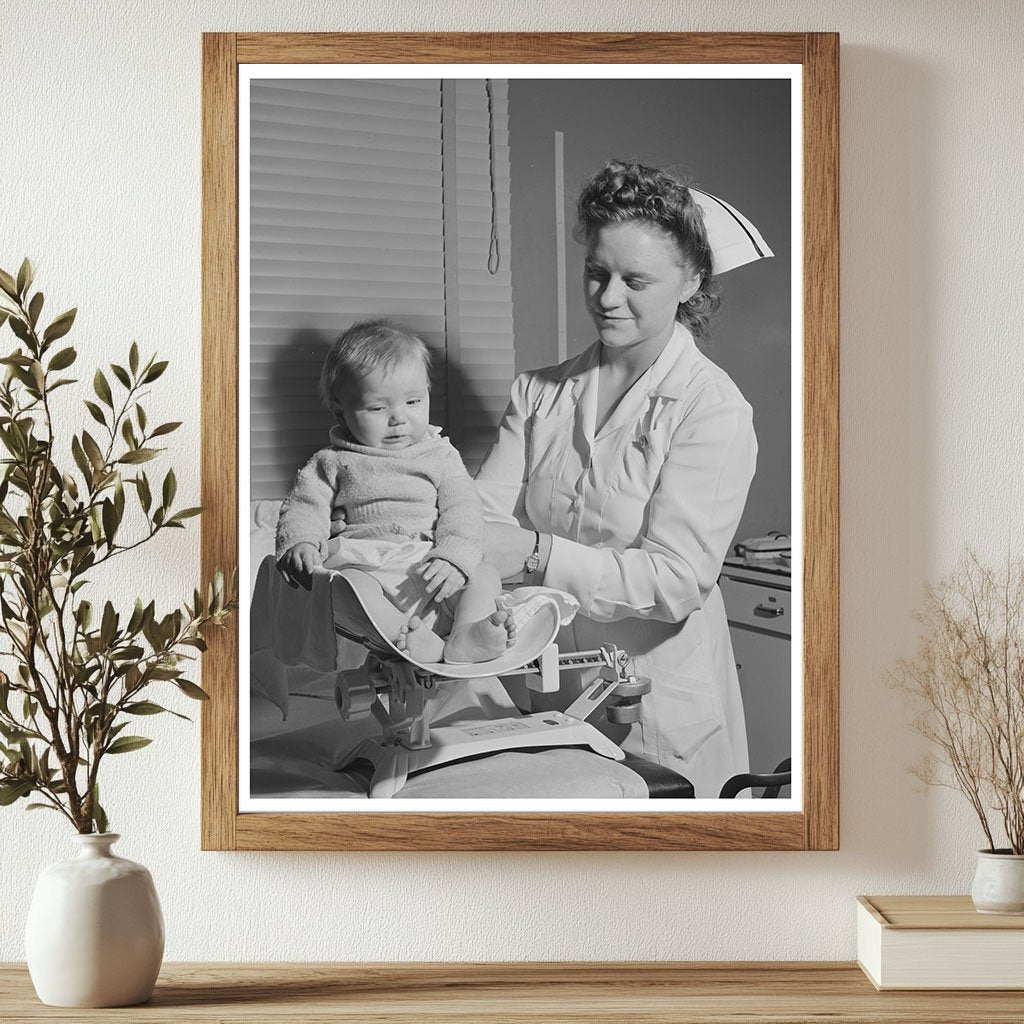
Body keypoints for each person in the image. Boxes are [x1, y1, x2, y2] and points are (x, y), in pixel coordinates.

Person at [475, 160, 759, 796]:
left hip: (656, 703)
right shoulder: (539, 392)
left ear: (690, 282)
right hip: (544, 684)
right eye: (596, 272)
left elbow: (677, 581)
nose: (607, 297)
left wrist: (536, 553)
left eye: (636, 280)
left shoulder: (710, 407)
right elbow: (483, 517)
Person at [275, 318, 515, 665]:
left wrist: (454, 556)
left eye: (414, 401)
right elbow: (303, 507)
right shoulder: (331, 462)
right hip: (369, 564)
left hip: (431, 564)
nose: (398, 418)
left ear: (429, 393)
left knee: (484, 574)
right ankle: (411, 638)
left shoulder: (441, 455)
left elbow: (463, 508)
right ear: (340, 411)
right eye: (377, 408)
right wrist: (301, 542)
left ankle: (465, 634)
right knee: (347, 589)